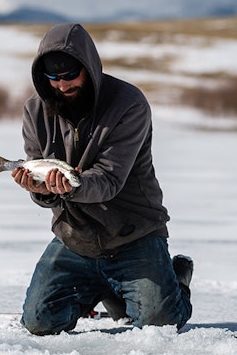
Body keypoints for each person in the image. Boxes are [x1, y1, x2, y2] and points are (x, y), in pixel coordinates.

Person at [11, 23, 193, 336]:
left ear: (89, 68)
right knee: (38, 322)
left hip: (133, 235)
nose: (62, 86)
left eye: (70, 76)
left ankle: (176, 278)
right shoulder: (34, 112)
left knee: (160, 326)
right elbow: (40, 180)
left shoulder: (128, 103)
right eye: (53, 78)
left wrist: (72, 185)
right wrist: (40, 191)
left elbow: (108, 179)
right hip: (75, 238)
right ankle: (105, 289)